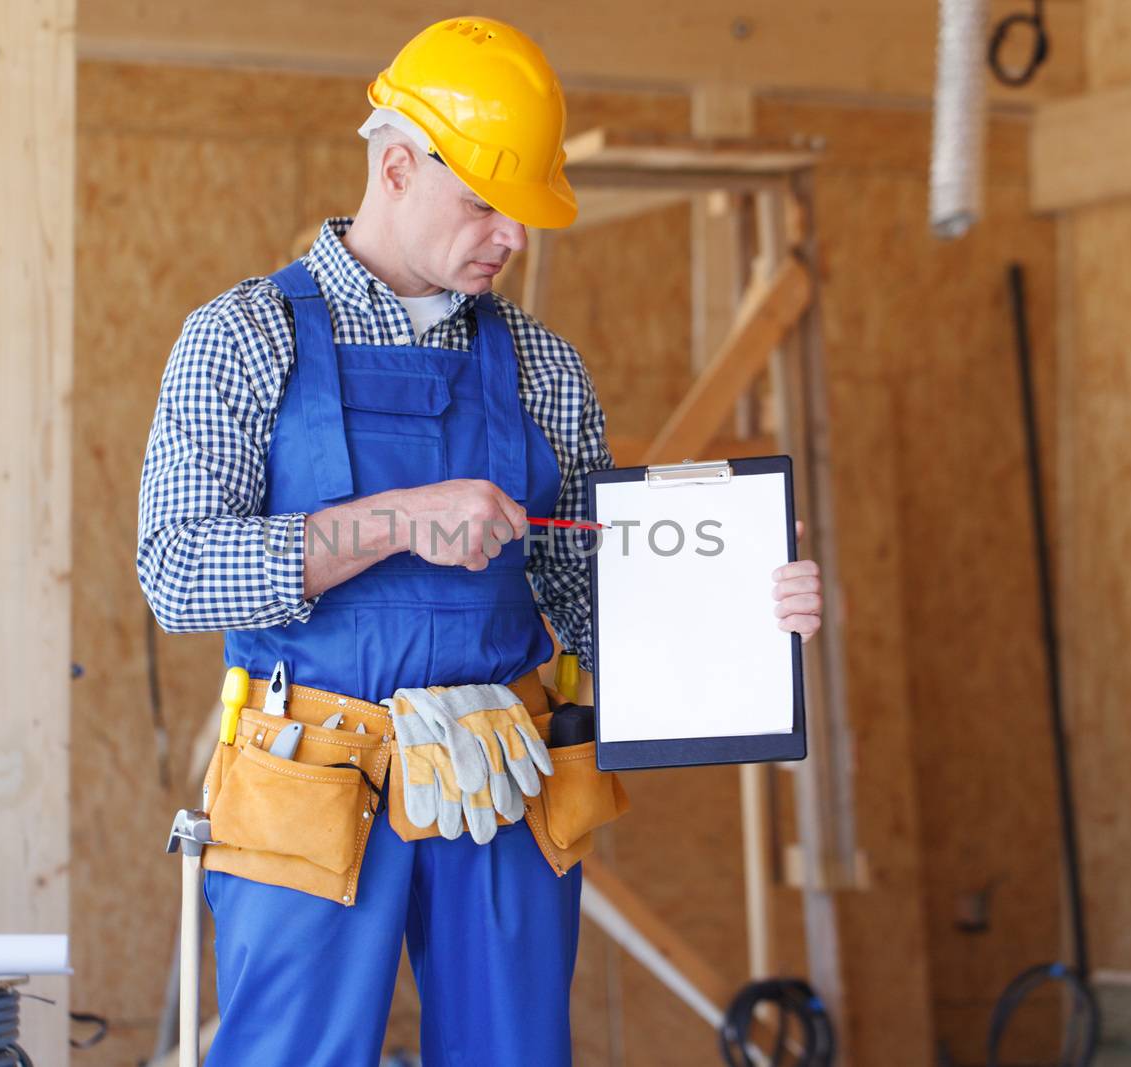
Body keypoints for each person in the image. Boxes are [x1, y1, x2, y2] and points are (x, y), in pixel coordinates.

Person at [136, 16, 824, 1066]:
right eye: (483, 203)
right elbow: (178, 572)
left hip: (499, 783)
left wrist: (745, 601)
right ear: (398, 166)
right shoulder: (240, 338)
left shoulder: (544, 366)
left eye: (524, 211)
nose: (508, 235)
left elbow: (592, 601)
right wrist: (395, 519)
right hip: (313, 784)